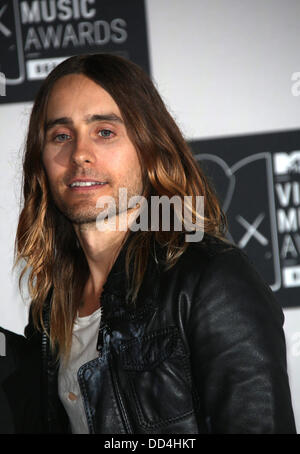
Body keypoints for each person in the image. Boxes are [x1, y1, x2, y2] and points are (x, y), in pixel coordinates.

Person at [4, 53, 296, 434]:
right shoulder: (51, 309)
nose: (78, 154)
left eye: (104, 131)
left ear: (148, 147)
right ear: (39, 160)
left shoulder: (210, 279)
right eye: (60, 135)